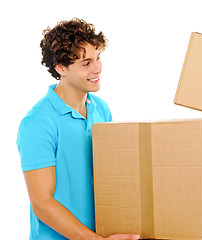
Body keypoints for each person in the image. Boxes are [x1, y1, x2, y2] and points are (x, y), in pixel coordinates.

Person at [16, 18, 140, 240]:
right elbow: (42, 203)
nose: (98, 68)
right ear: (60, 68)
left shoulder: (100, 108)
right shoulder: (37, 123)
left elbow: (110, 175)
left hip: (102, 232)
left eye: (98, 58)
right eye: (86, 63)